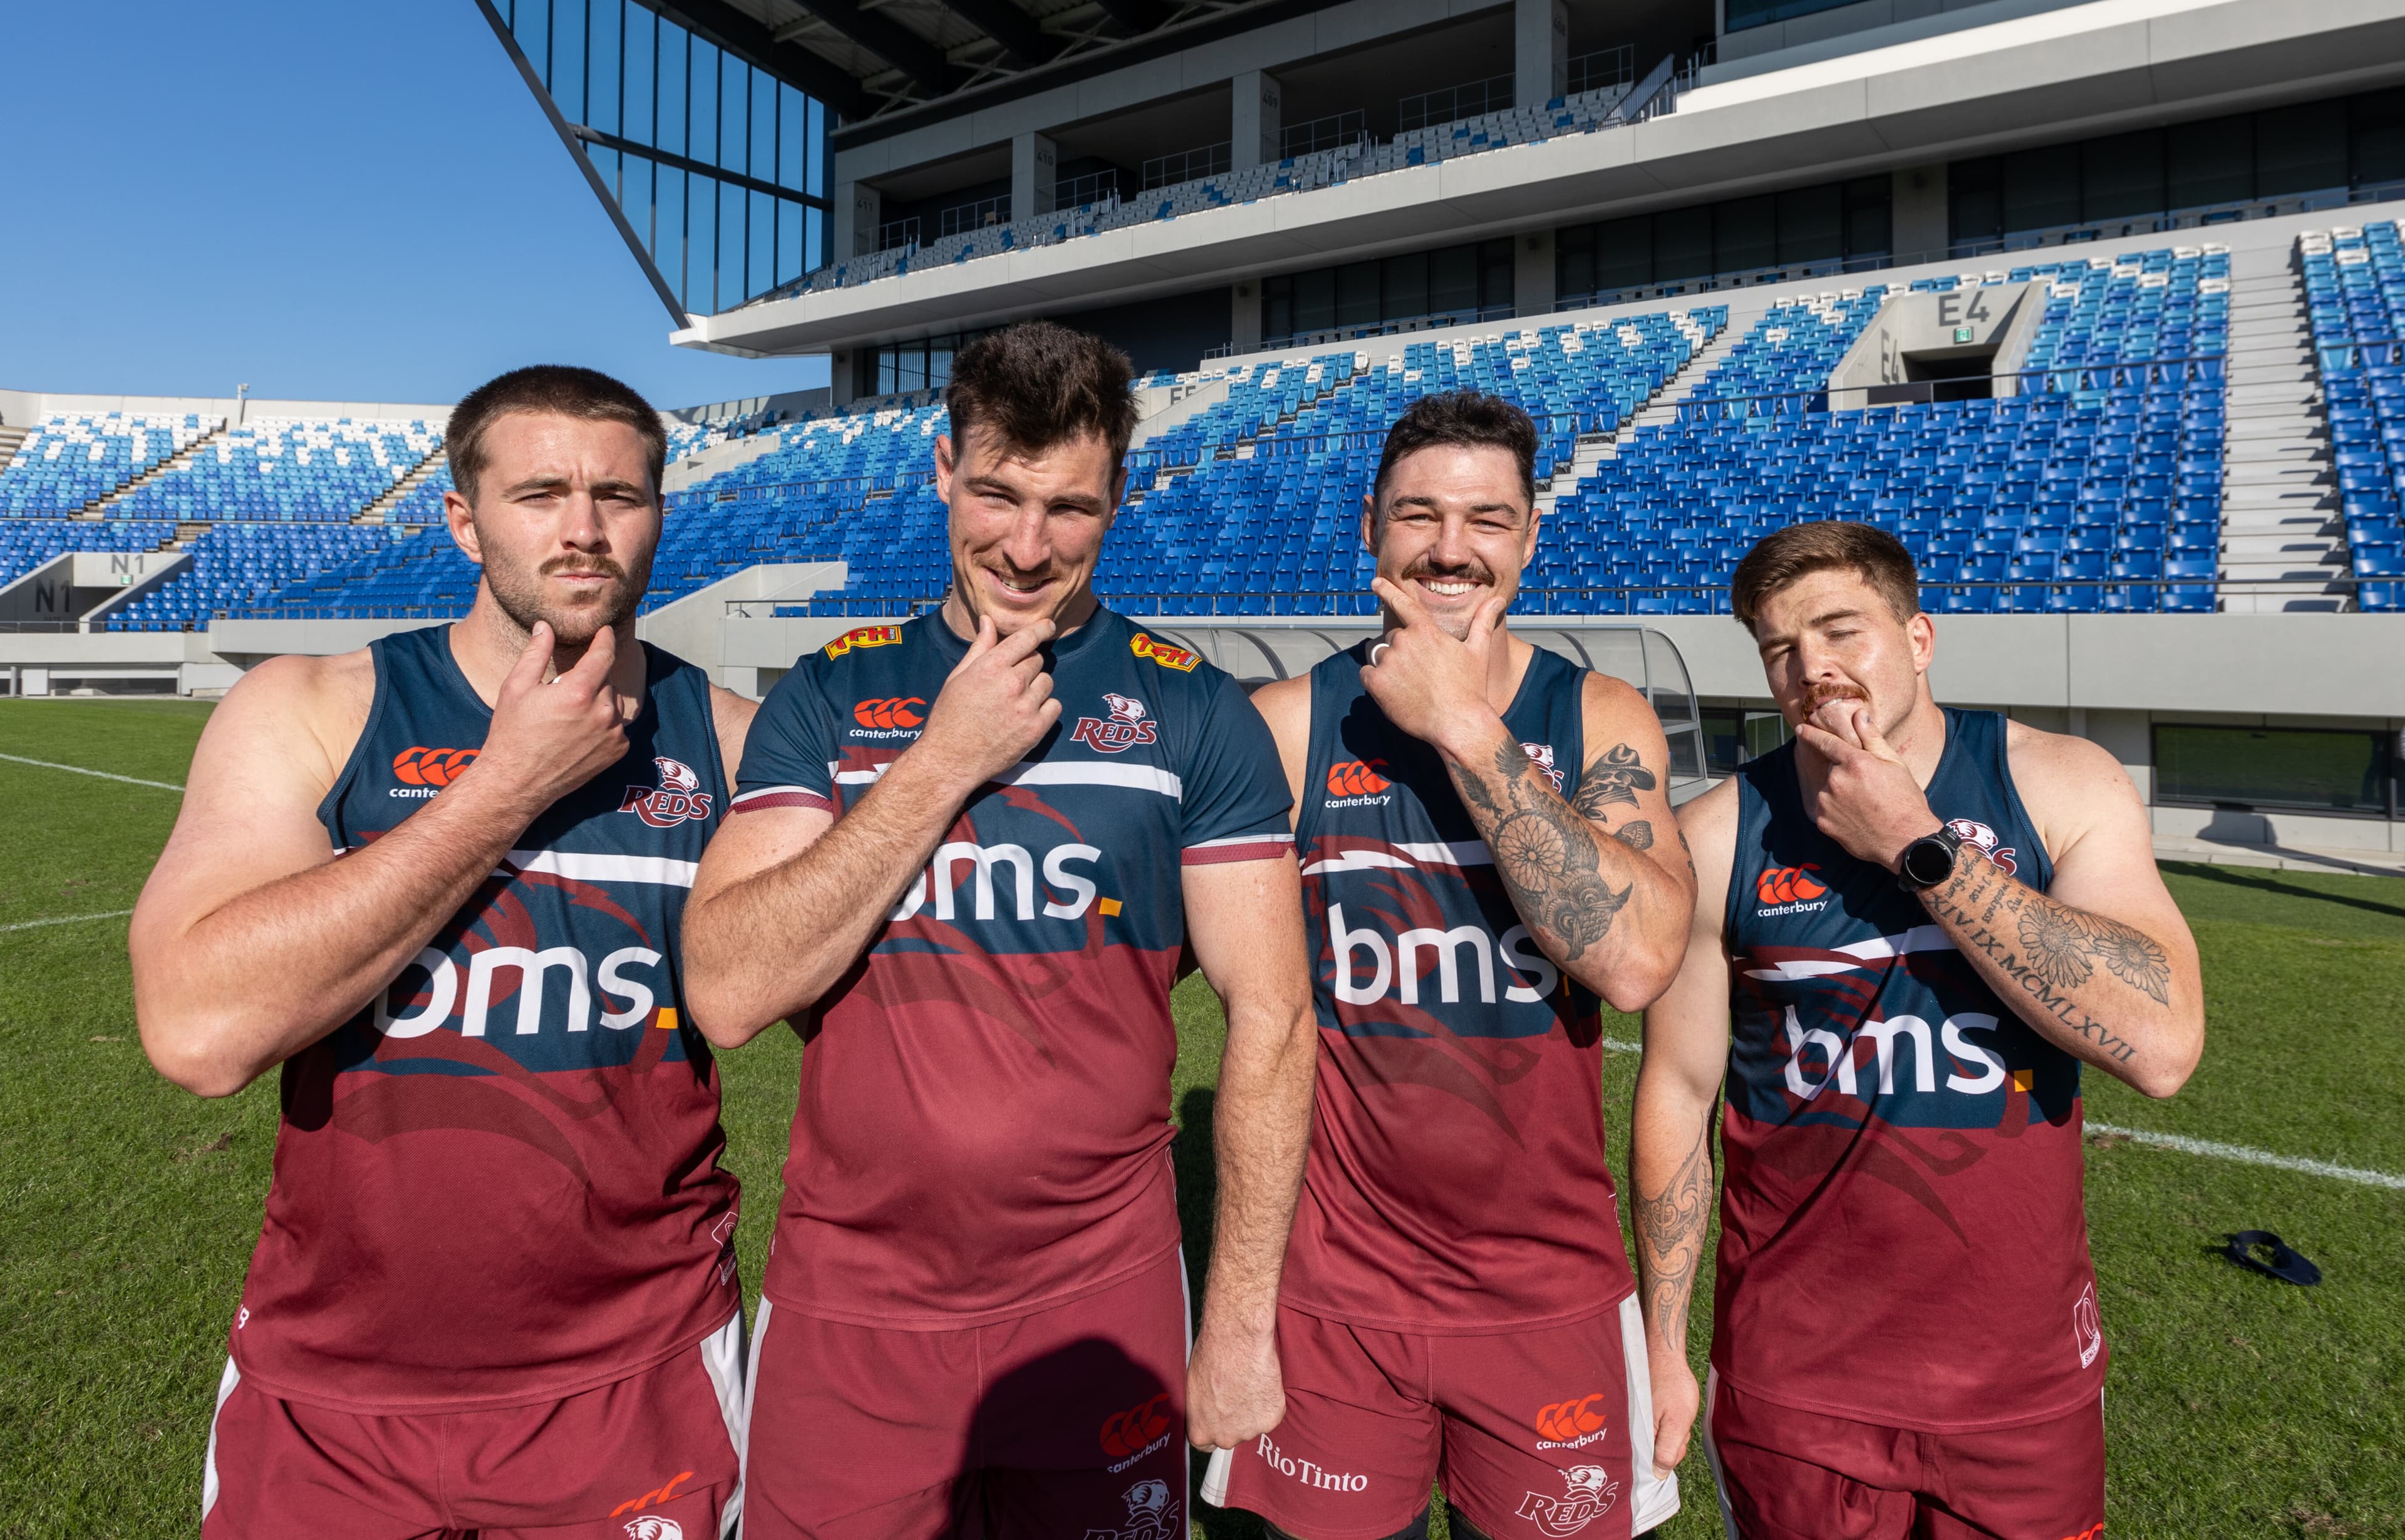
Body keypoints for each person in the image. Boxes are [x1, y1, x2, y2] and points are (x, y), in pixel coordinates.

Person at [681, 321, 1320, 1540]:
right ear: (941, 470)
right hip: (850, 1308)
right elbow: (726, 990)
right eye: (995, 494)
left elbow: (1277, 1017)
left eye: (1069, 508)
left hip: (1103, 1304)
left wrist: (1237, 1324)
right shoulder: (825, 694)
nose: (1026, 549)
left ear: (1121, 497)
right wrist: (939, 764)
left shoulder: (1193, 708)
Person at [132, 366, 757, 1539]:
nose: (584, 528)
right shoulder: (314, 706)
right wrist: (505, 786)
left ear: (660, 513)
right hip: (332, 1386)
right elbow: (198, 1033)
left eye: (620, 494)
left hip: (640, 1372)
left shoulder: (727, 742)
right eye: (541, 493)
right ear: (463, 517)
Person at [1634, 521, 2205, 1539]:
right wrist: (1665, 1349)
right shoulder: (1721, 832)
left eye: (1842, 630)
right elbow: (1679, 1092)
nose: (1814, 670)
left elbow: (2162, 1048)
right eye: (1779, 648)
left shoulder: (2056, 781)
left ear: (1921, 638)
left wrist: (1913, 843)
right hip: (1798, 1387)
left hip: (2021, 1383)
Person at [1208, 391, 1695, 1540]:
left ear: (1530, 538)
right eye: (1420, 516)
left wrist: (1462, 724)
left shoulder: (1597, 718)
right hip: (1335, 1293)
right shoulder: (1291, 724)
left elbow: (1632, 965)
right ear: (1370, 526)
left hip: (1551, 1293)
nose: (1450, 549)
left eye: (1487, 520)